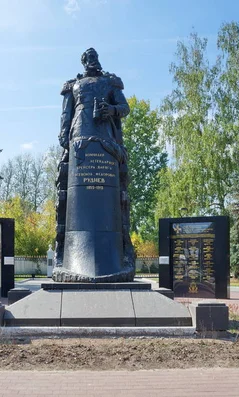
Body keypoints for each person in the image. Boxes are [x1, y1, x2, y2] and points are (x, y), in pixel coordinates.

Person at [53, 48, 135, 281]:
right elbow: (66, 113)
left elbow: (124, 108)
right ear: (82, 62)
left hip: (105, 136)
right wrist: (63, 134)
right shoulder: (72, 85)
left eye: (94, 56)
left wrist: (110, 110)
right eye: (88, 58)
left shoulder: (110, 82)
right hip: (79, 133)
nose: (92, 60)